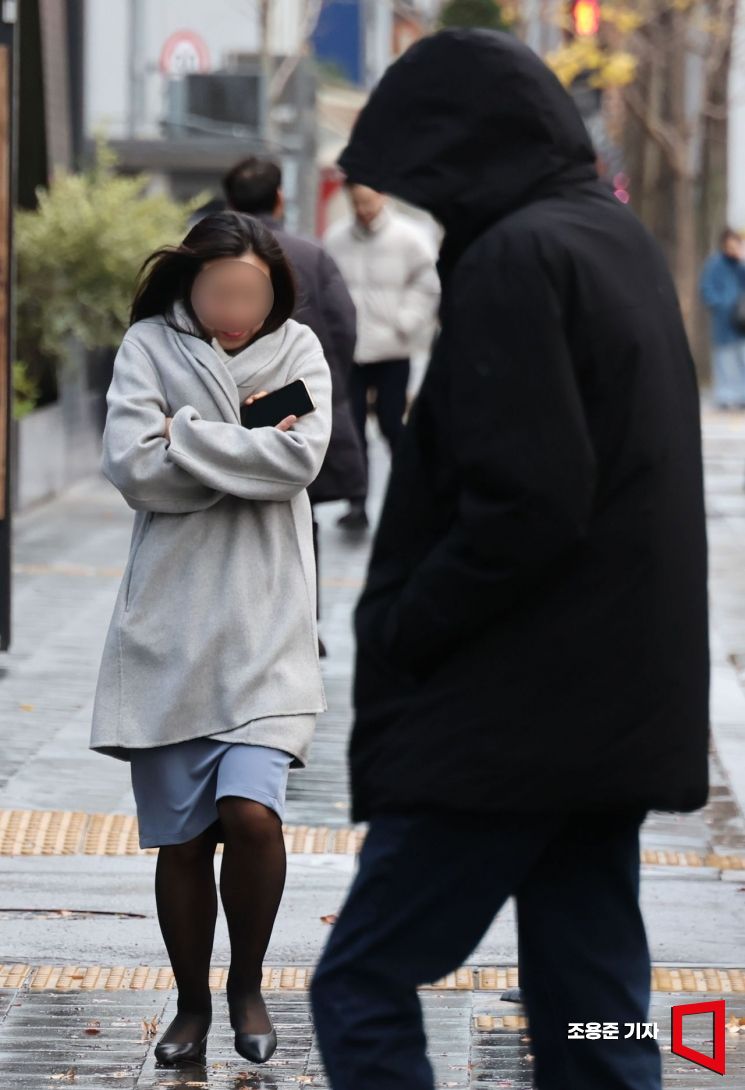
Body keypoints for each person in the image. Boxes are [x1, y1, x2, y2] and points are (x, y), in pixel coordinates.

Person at [310, 29, 709, 1090]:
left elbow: (526, 502)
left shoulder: (519, 258)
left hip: (511, 718)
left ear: (462, 155)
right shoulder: (609, 240)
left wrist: (403, 624)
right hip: (606, 709)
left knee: (359, 982)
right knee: (591, 1004)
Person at [89, 211, 332, 1068]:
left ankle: (248, 985)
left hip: (268, 626)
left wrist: (183, 437)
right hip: (171, 629)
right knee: (185, 839)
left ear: (276, 292)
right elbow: (132, 468)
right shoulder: (149, 348)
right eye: (222, 290)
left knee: (251, 813)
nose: (237, 307)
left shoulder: (298, 351)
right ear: (189, 284)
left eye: (253, 292)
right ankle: (191, 1004)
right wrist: (242, 451)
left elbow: (300, 464)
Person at [223, 156, 367, 652]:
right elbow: (345, 327)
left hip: (220, 413)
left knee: (229, 513)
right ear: (280, 198)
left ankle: (247, 621)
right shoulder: (309, 252)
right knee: (298, 512)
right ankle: (303, 619)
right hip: (296, 405)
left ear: (229, 202)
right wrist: (329, 393)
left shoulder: (202, 262)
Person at [324, 182, 440, 530]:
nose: (363, 210)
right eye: (357, 203)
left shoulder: (409, 237)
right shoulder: (336, 238)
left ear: (384, 197)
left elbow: (428, 282)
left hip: (393, 348)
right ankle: (357, 503)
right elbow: (328, 287)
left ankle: (411, 496)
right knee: (353, 428)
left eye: (369, 203)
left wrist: (407, 322)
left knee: (393, 426)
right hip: (352, 351)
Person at [700, 227, 745, 409]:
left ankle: (741, 396)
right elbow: (706, 289)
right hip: (723, 321)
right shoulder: (714, 264)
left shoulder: (741, 266)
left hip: (742, 322)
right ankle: (725, 396)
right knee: (724, 361)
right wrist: (721, 305)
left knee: (742, 359)